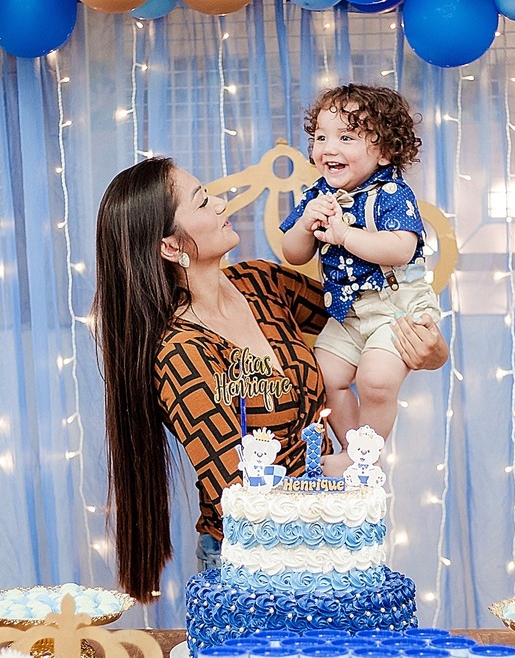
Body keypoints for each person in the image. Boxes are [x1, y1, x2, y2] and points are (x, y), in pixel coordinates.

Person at [92, 156, 448, 601]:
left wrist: (432, 351)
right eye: (202, 202)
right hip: (251, 565)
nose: (220, 204)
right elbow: (238, 491)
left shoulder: (261, 283)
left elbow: (370, 323)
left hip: (330, 544)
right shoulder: (180, 352)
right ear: (170, 246)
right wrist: (334, 471)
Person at [280, 84, 441, 471]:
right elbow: (294, 253)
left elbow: (401, 248)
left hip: (396, 308)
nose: (328, 148)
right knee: (323, 376)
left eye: (346, 137)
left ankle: (364, 454)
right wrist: (304, 224)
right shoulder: (318, 195)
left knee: (376, 380)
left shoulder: (391, 193)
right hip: (348, 314)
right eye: (321, 137)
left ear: (383, 151)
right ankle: (356, 453)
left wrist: (345, 236)